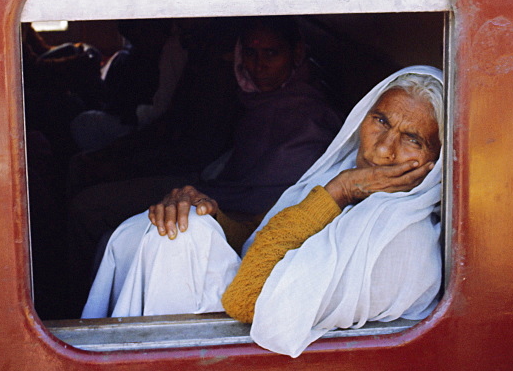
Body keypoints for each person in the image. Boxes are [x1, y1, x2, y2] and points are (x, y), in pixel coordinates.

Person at [82, 66, 444, 358]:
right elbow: (262, 235)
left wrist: (339, 192)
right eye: (380, 121)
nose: (383, 150)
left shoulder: (399, 240)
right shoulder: (347, 179)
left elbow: (246, 297)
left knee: (181, 242)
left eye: (413, 139)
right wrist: (207, 213)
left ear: (435, 161)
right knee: (177, 227)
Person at [72, 16, 341, 312]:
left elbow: (271, 204)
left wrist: (210, 206)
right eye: (250, 53)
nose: (258, 64)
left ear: (297, 54)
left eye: (272, 53)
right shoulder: (252, 96)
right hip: (210, 187)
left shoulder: (308, 118)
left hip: (228, 206)